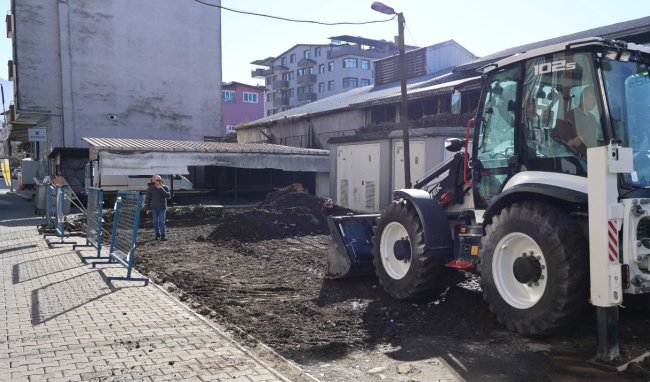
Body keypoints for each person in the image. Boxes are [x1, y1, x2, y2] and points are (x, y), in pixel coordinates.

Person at [145, 175, 171, 241]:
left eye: (160, 180)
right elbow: (147, 199)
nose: (158, 181)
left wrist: (160, 188)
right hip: (154, 208)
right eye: (157, 180)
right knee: (155, 222)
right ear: (153, 180)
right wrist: (147, 208)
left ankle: (163, 235)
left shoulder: (165, 187)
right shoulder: (150, 188)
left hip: (162, 207)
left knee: (162, 221)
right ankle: (157, 235)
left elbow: (168, 196)